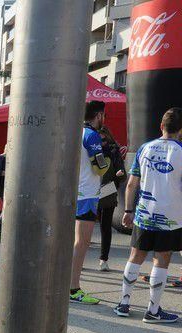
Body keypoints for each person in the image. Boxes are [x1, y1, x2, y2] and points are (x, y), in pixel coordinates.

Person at [115, 107, 182, 324]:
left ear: (161, 126)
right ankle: (152, 311)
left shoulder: (145, 148)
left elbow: (132, 183)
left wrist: (127, 210)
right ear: (181, 130)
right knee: (161, 260)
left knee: (135, 256)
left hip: (144, 213)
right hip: (170, 216)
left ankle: (124, 304)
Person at [70, 100, 110, 305]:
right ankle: (73, 288)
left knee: (73, 242)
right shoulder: (92, 135)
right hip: (87, 194)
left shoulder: (75, 131)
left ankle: (67, 284)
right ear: (99, 115)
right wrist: (109, 156)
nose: (104, 119)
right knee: (82, 242)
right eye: (104, 115)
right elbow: (100, 168)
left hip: (72, 192)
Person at [97, 125, 126, 272]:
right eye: (98, 139)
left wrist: (118, 175)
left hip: (108, 192)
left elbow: (123, 176)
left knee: (105, 227)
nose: (101, 143)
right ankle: (78, 258)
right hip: (90, 193)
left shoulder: (114, 152)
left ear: (108, 138)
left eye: (103, 139)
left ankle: (103, 259)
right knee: (82, 228)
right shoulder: (91, 151)